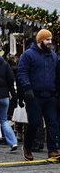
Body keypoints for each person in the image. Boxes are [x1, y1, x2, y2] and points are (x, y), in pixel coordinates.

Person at [18, 29, 60, 160]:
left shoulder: (53, 56)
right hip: (34, 95)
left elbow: (57, 74)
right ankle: (27, 147)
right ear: (40, 41)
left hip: (50, 95)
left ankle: (52, 150)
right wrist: (27, 88)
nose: (50, 42)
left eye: (51, 40)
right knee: (34, 123)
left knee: (52, 123)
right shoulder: (28, 55)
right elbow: (22, 72)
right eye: (47, 40)